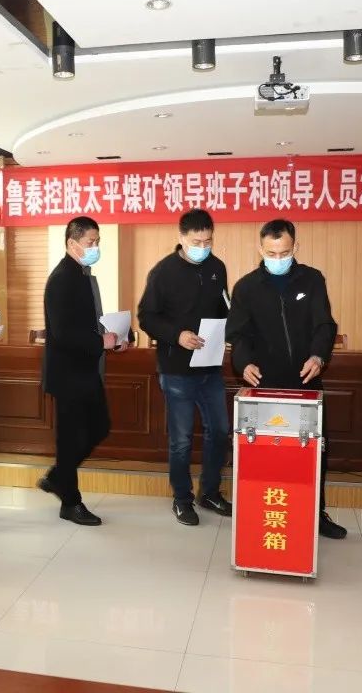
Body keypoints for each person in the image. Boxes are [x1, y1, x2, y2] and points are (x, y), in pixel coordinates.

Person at [225, 219, 347, 539]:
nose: (278, 259)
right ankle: (264, 514)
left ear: (295, 247)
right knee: (267, 452)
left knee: (314, 451)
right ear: (260, 248)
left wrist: (318, 356)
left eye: (284, 252)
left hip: (305, 381)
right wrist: (243, 363)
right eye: (271, 253)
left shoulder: (312, 279)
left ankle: (316, 514)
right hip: (264, 383)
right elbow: (238, 334)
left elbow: (324, 325)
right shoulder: (246, 287)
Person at [137, 209, 232, 526]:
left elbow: (224, 307)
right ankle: (182, 499)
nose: (203, 247)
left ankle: (210, 492)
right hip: (176, 369)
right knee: (181, 440)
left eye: (208, 241)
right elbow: (146, 317)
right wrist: (177, 335)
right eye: (196, 242)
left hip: (210, 367)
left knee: (220, 431)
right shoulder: (163, 272)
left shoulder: (217, 267)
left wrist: (228, 330)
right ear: (181, 238)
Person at [39, 216, 128, 525]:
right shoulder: (62, 278)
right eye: (91, 242)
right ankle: (70, 502)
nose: (95, 247)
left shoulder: (82, 274)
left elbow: (87, 325)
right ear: (72, 243)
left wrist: (114, 338)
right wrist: (100, 341)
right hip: (68, 375)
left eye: (97, 242)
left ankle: (58, 477)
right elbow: (63, 333)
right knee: (70, 438)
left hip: (86, 372)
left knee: (100, 427)